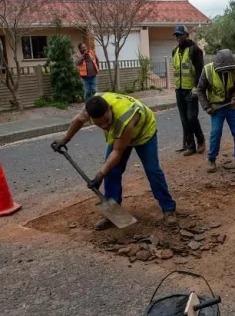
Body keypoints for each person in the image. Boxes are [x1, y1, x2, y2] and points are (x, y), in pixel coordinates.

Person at [51, 93, 177, 230]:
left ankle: (168, 208)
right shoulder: (94, 106)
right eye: (99, 124)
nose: (105, 126)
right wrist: (65, 139)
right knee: (111, 172)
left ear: (110, 108)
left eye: (106, 120)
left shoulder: (125, 119)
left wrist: (100, 175)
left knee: (152, 170)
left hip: (144, 133)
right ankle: (112, 213)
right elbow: (79, 119)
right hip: (119, 135)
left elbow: (117, 152)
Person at [194, 49, 235, 173]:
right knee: (215, 133)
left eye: (228, 70)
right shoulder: (207, 70)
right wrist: (206, 107)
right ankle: (211, 160)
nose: (226, 72)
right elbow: (200, 90)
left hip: (233, 107)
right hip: (216, 108)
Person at [172, 25, 206, 156]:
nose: (178, 37)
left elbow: (199, 70)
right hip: (179, 90)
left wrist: (196, 88)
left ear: (186, 35)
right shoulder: (175, 51)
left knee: (191, 117)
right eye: (176, 35)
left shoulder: (194, 50)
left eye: (180, 35)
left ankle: (201, 140)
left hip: (191, 89)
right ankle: (190, 145)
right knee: (184, 119)